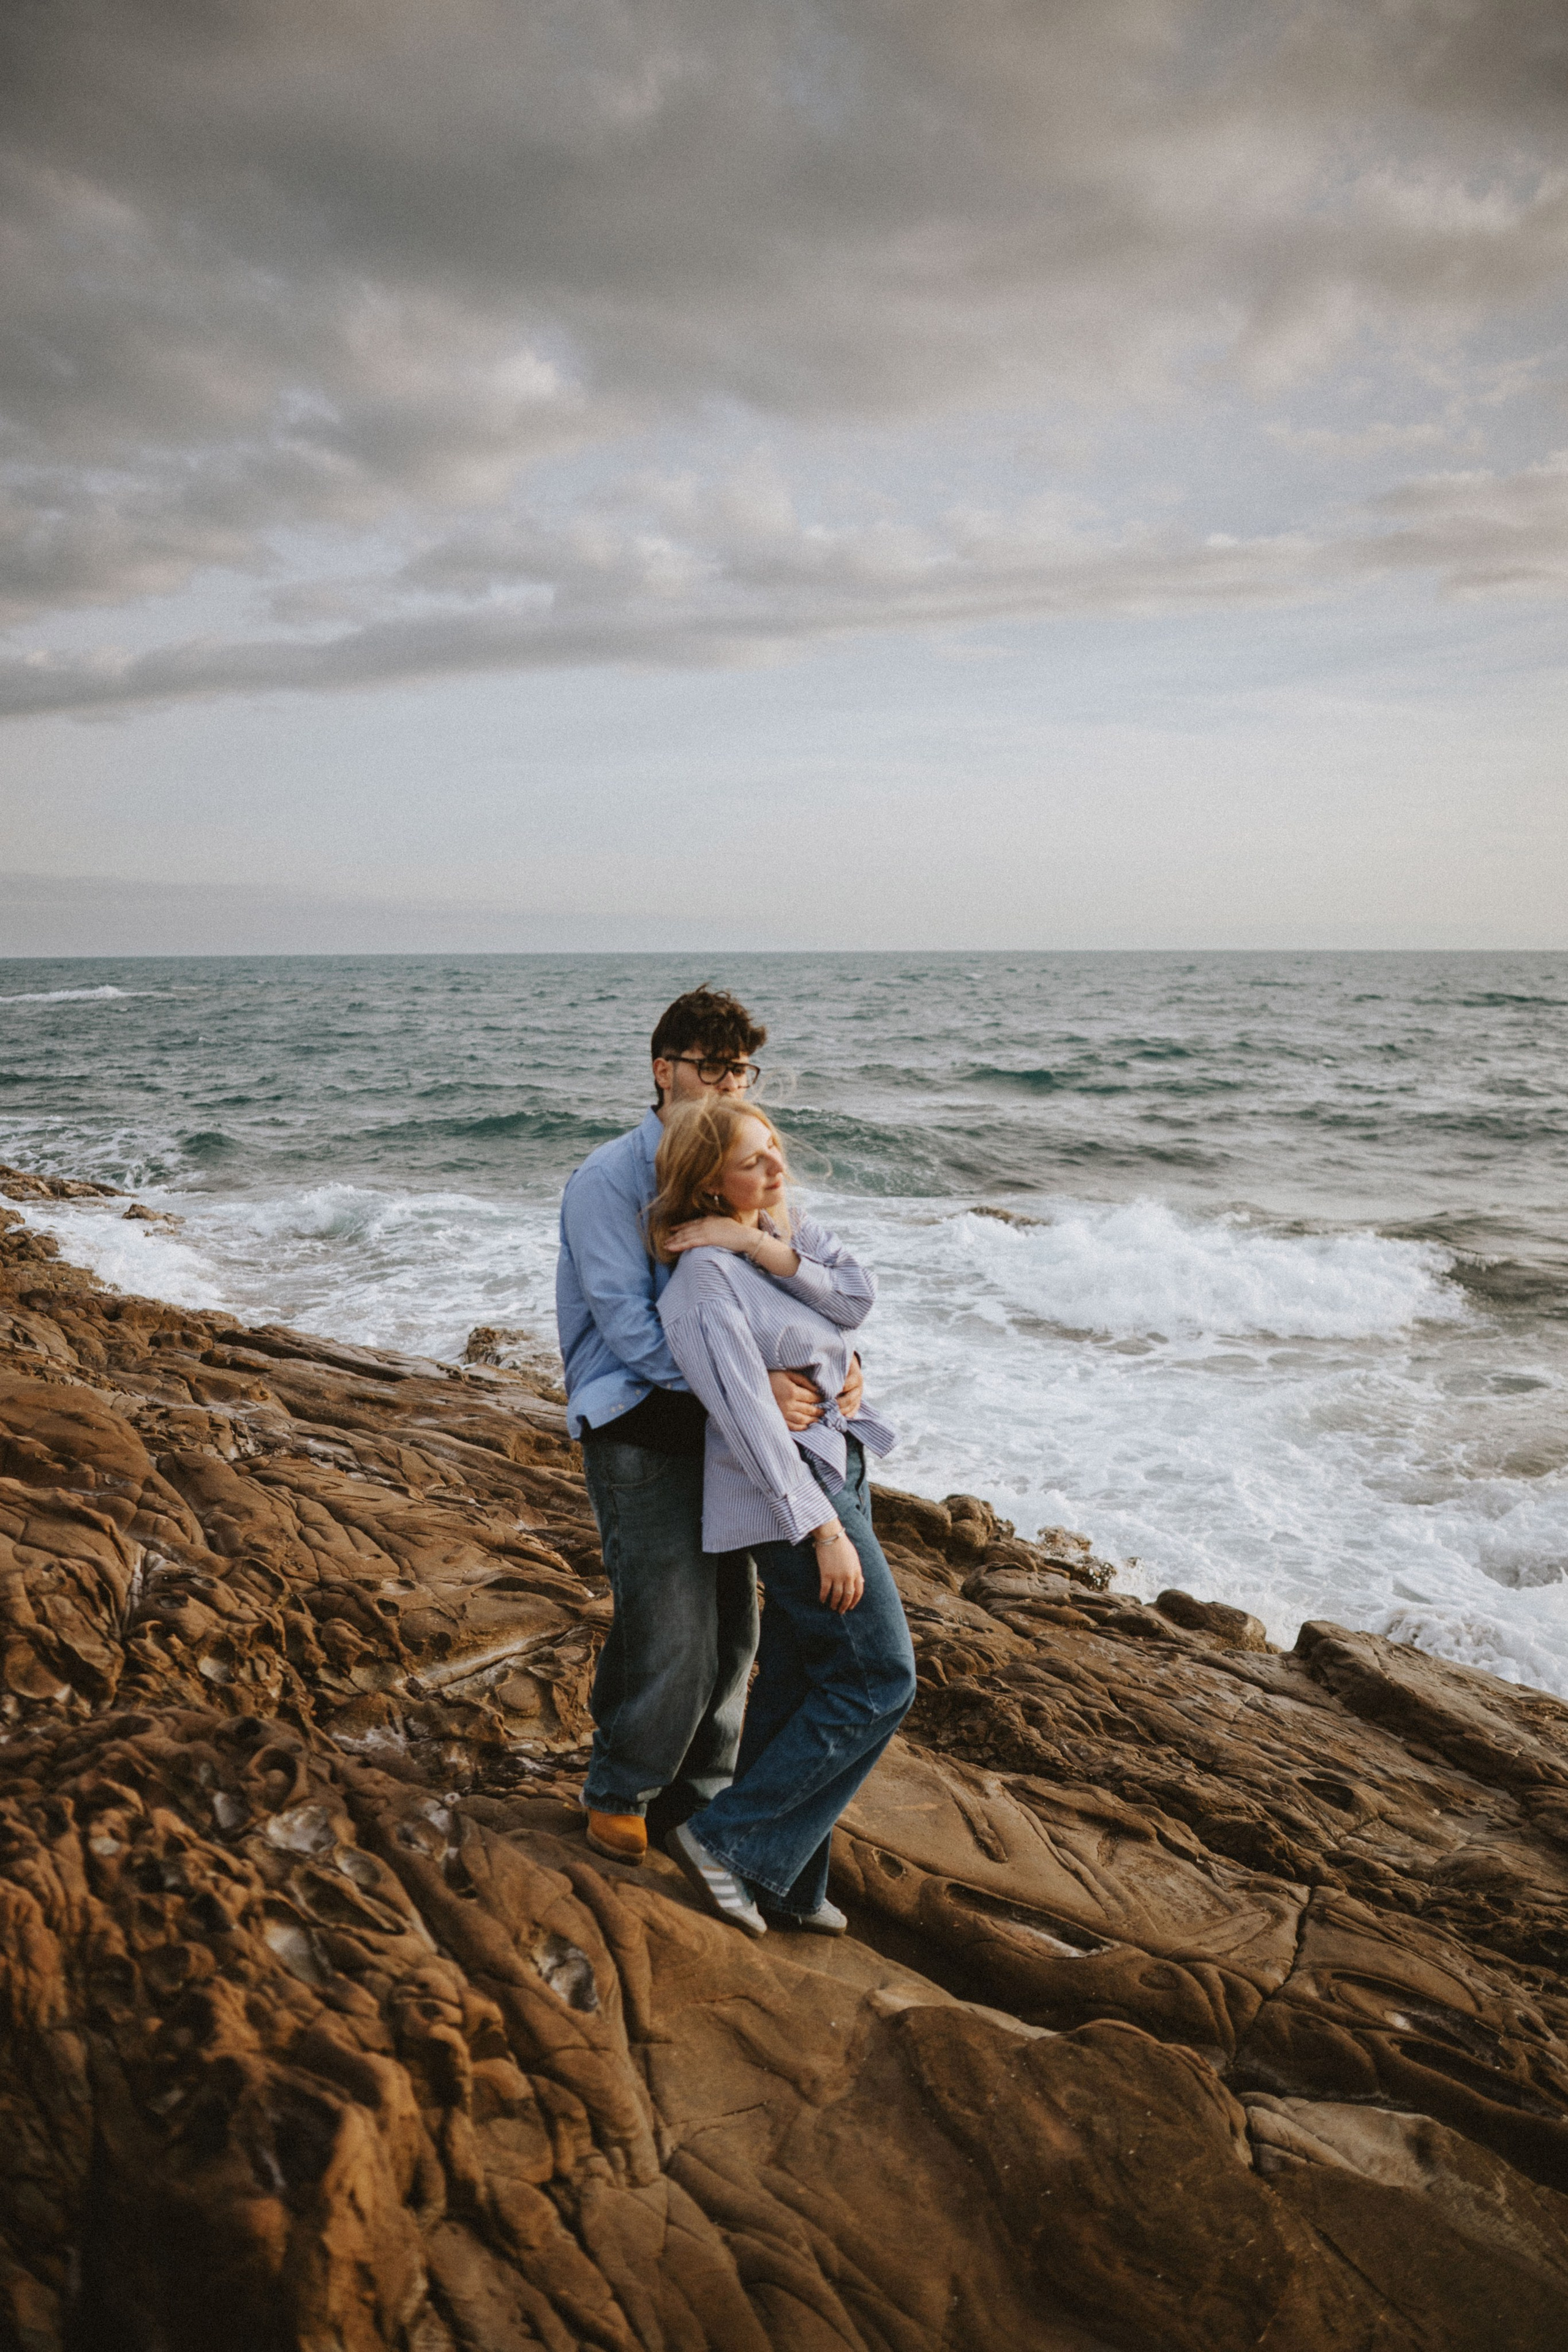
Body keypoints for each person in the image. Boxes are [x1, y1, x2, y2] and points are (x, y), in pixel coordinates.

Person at [556, 987, 864, 1864]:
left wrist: (830, 1368)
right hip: (640, 1420)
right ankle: (622, 1788)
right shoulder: (611, 1179)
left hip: (729, 1424)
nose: (729, 1085)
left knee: (737, 1632)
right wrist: (752, 1384)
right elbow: (631, 1331)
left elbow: (789, 1290)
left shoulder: (736, 1169)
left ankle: (701, 1796)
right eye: (711, 1068)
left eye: (740, 1071)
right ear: (664, 1071)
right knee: (670, 1625)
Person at [648, 1094, 917, 1938]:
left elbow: (855, 1299)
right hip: (795, 1502)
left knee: (803, 1678)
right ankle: (728, 1845)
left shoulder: (778, 1239)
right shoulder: (700, 1287)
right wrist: (824, 1531)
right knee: (879, 1677)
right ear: (705, 1181)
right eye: (752, 1161)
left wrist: (758, 1239)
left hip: (841, 1466)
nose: (775, 1170)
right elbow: (749, 1425)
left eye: (775, 1152)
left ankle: (788, 1882)